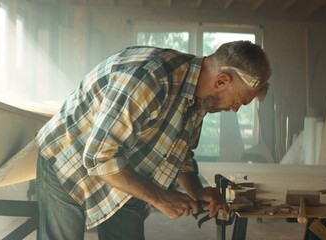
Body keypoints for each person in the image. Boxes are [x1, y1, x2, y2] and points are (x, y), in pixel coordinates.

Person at [34, 40, 271, 239]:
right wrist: (159, 197)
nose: (235, 110)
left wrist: (196, 190)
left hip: (125, 169)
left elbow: (181, 153)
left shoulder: (200, 99)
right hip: (69, 160)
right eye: (239, 101)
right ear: (222, 81)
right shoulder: (151, 78)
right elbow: (99, 157)